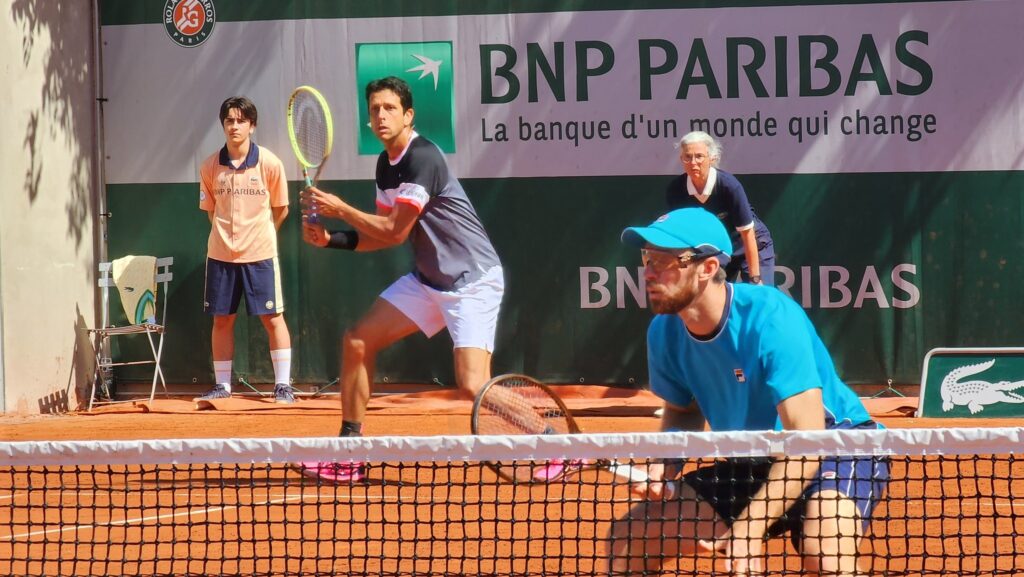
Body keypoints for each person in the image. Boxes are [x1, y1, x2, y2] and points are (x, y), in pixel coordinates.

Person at [608, 207, 889, 576]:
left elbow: (807, 442)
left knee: (827, 556)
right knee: (630, 537)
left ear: (707, 268)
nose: (648, 271)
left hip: (833, 448)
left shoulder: (771, 318)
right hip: (751, 461)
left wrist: (748, 529)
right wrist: (666, 465)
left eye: (663, 260)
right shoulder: (664, 332)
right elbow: (683, 409)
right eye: (646, 258)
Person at [297, 76, 504, 482]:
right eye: (374, 109)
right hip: (429, 281)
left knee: (472, 384)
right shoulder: (384, 165)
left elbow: (393, 230)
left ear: (408, 116)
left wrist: (340, 209)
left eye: (390, 108)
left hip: (472, 281)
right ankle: (349, 452)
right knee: (358, 340)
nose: (380, 115)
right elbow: (385, 236)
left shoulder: (422, 157)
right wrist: (331, 240)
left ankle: (553, 439)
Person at [196, 96, 296, 404]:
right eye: (229, 121)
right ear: (223, 125)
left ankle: (282, 385)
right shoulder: (210, 165)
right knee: (222, 319)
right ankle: (223, 386)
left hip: (261, 256)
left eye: (241, 120)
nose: (234, 126)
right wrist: (228, 238)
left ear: (252, 126)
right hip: (220, 256)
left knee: (273, 318)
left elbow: (281, 209)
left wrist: (260, 236)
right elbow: (210, 211)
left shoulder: (269, 163)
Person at [666, 131, 776, 286]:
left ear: (712, 158)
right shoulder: (676, 190)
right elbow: (681, 238)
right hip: (718, 250)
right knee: (708, 300)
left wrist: (755, 279)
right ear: (681, 159)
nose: (693, 162)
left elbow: (747, 234)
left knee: (760, 298)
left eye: (699, 156)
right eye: (688, 157)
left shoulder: (729, 186)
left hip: (751, 245)